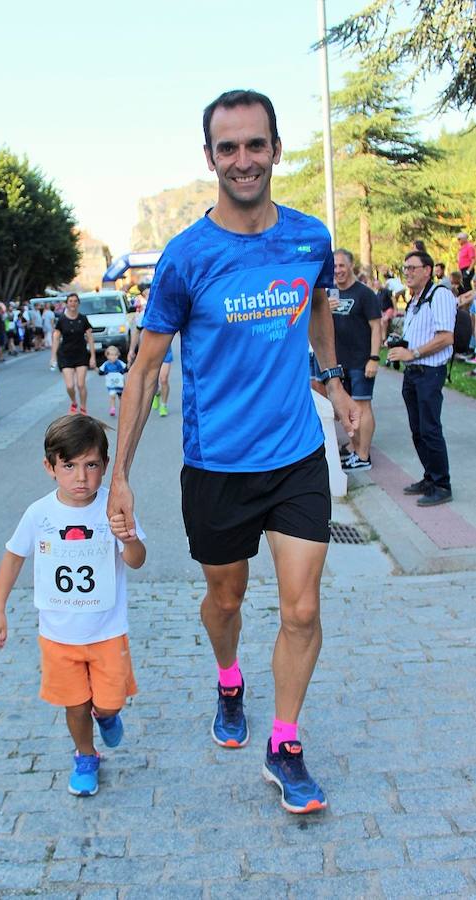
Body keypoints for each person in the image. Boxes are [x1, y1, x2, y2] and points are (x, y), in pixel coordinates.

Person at [107, 89, 359, 815]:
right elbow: (146, 366)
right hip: (216, 464)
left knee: (302, 610)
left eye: (255, 145)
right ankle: (227, 679)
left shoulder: (310, 240)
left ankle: (283, 745)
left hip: (293, 458)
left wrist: (332, 383)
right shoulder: (186, 259)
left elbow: (315, 308)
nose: (242, 160)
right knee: (226, 597)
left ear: (276, 149)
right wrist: (119, 476)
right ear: (210, 158)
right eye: (228, 148)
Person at [0, 415, 146, 797]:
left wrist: (130, 537)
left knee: (107, 704)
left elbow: (136, 560)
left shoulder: (114, 507)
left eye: (91, 465)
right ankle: (85, 756)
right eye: (69, 466)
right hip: (58, 635)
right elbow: (12, 556)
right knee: (74, 703)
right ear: (50, 467)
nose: (81, 477)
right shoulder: (39, 513)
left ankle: (105, 717)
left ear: (105, 467)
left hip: (107, 632)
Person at [387, 250, 456, 506]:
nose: (408, 272)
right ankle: (430, 476)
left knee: (430, 429)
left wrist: (412, 352)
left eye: (413, 268)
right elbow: (419, 333)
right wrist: (400, 344)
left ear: (427, 270)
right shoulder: (416, 298)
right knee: (418, 431)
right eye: (405, 268)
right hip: (413, 373)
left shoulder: (439, 295)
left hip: (429, 372)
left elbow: (445, 337)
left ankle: (442, 484)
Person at [331, 250, 381, 471]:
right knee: (348, 408)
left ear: (351, 266)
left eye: (342, 265)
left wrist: (374, 358)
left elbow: (376, 327)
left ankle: (363, 455)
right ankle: (354, 446)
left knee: (362, 406)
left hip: (361, 362)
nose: (338, 270)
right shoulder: (329, 295)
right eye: (334, 266)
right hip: (340, 364)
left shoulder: (364, 294)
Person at [50, 293, 96, 415]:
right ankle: (74, 402)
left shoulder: (83, 319)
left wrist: (92, 356)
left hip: (81, 354)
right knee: (70, 386)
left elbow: (90, 338)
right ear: (67, 303)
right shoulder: (61, 320)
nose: (73, 303)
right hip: (66, 355)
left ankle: (83, 407)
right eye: (70, 301)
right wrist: (53, 356)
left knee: (81, 384)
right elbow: (56, 338)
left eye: (75, 301)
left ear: (78, 303)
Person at [98, 345, 127, 416]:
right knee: (112, 395)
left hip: (120, 383)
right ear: (107, 356)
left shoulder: (120, 363)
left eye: (115, 355)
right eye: (111, 355)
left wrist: (124, 370)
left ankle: (123, 408)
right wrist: (102, 372)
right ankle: (112, 408)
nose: (113, 357)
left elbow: (126, 369)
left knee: (121, 397)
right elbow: (100, 371)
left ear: (118, 355)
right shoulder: (106, 364)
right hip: (111, 383)